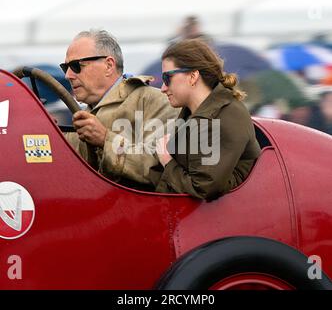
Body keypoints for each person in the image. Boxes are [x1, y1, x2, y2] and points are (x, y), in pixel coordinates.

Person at [62, 29, 178, 189]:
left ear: (109, 65)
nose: (68, 75)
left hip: (140, 210)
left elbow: (158, 167)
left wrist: (105, 139)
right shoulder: (82, 114)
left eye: (76, 66)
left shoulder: (154, 101)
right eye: (65, 67)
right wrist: (51, 137)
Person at [150, 39, 261, 201]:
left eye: (167, 78)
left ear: (193, 76)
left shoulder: (225, 116)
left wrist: (167, 161)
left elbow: (202, 189)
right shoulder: (196, 113)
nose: (163, 88)